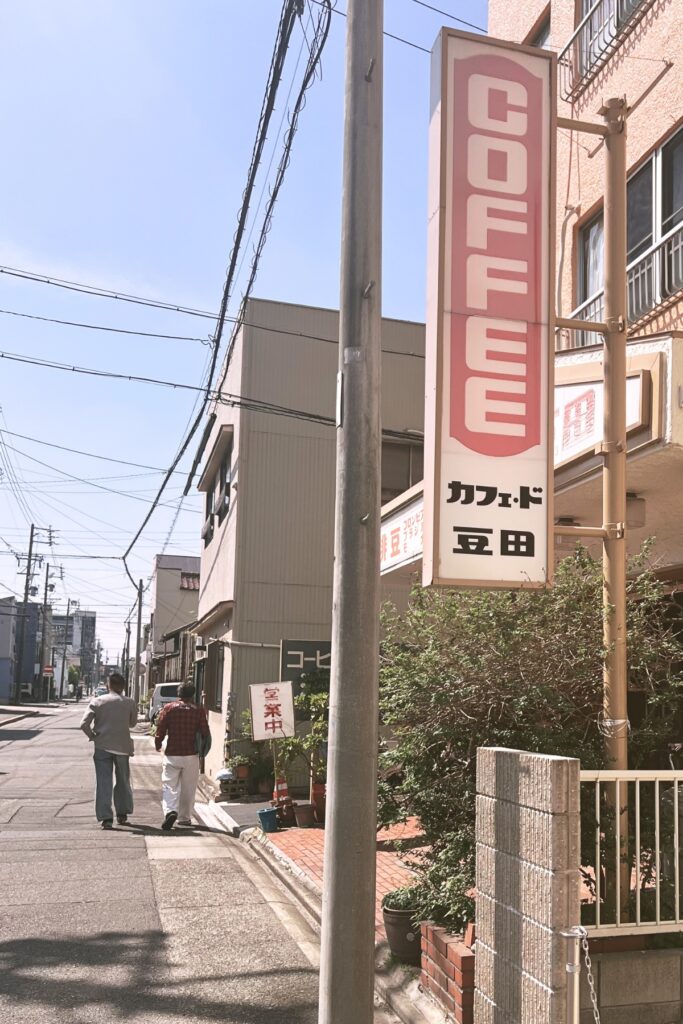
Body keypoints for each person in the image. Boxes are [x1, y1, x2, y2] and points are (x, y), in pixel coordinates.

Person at [79, 673, 137, 829]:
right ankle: (122, 813)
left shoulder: (97, 701)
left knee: (104, 782)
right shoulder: (130, 702)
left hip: (102, 746)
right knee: (123, 781)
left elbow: (83, 724)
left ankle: (106, 818)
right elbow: (132, 724)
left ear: (108, 685)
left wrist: (93, 736)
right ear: (123, 687)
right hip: (122, 747)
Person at [155, 682, 210, 830]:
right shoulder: (198, 710)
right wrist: (203, 749)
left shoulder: (169, 708)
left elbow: (161, 728)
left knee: (169, 785)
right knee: (188, 788)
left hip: (172, 753)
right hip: (191, 754)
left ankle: (170, 811)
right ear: (192, 694)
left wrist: (158, 743)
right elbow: (205, 732)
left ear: (178, 694)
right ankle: (184, 818)